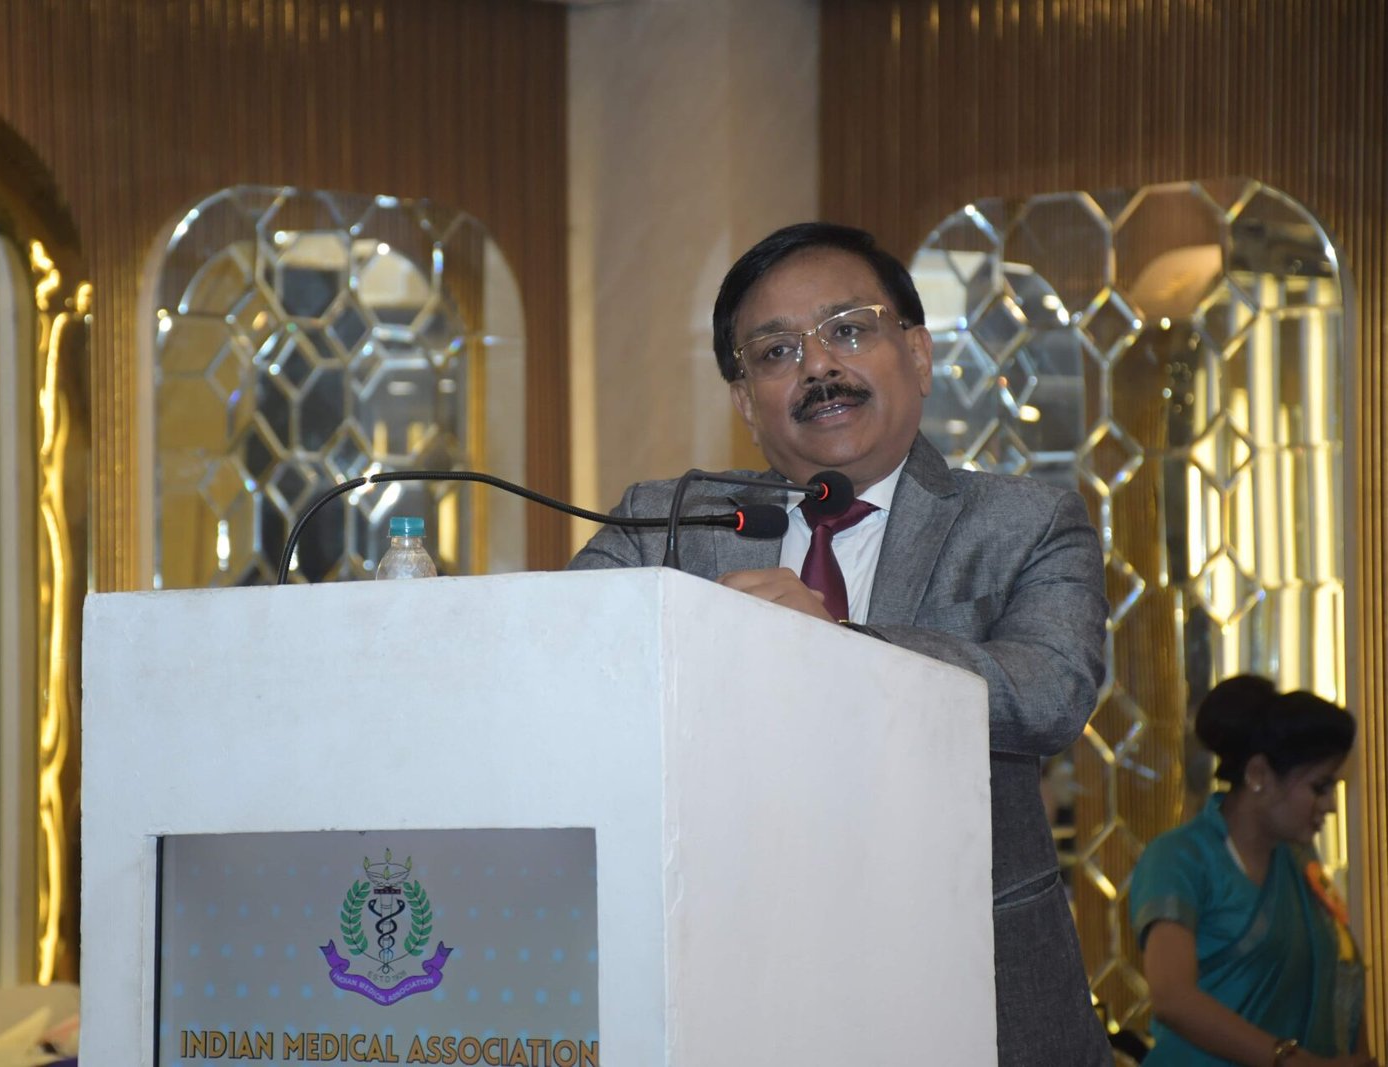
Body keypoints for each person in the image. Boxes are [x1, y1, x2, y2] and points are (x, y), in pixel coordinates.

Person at [569, 222, 1112, 1065]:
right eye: (776, 352)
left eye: (849, 330)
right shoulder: (668, 522)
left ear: (919, 355)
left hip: (967, 980)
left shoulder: (1024, 521)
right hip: (725, 981)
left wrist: (836, 647)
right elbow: (567, 663)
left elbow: (1050, 692)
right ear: (745, 401)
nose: (818, 367)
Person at [1130, 677, 1372, 1066]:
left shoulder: (1298, 863)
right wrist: (1293, 1062)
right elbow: (1172, 997)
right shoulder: (1179, 857)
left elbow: (1340, 976)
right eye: (1319, 787)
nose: (1330, 805)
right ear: (1258, 774)